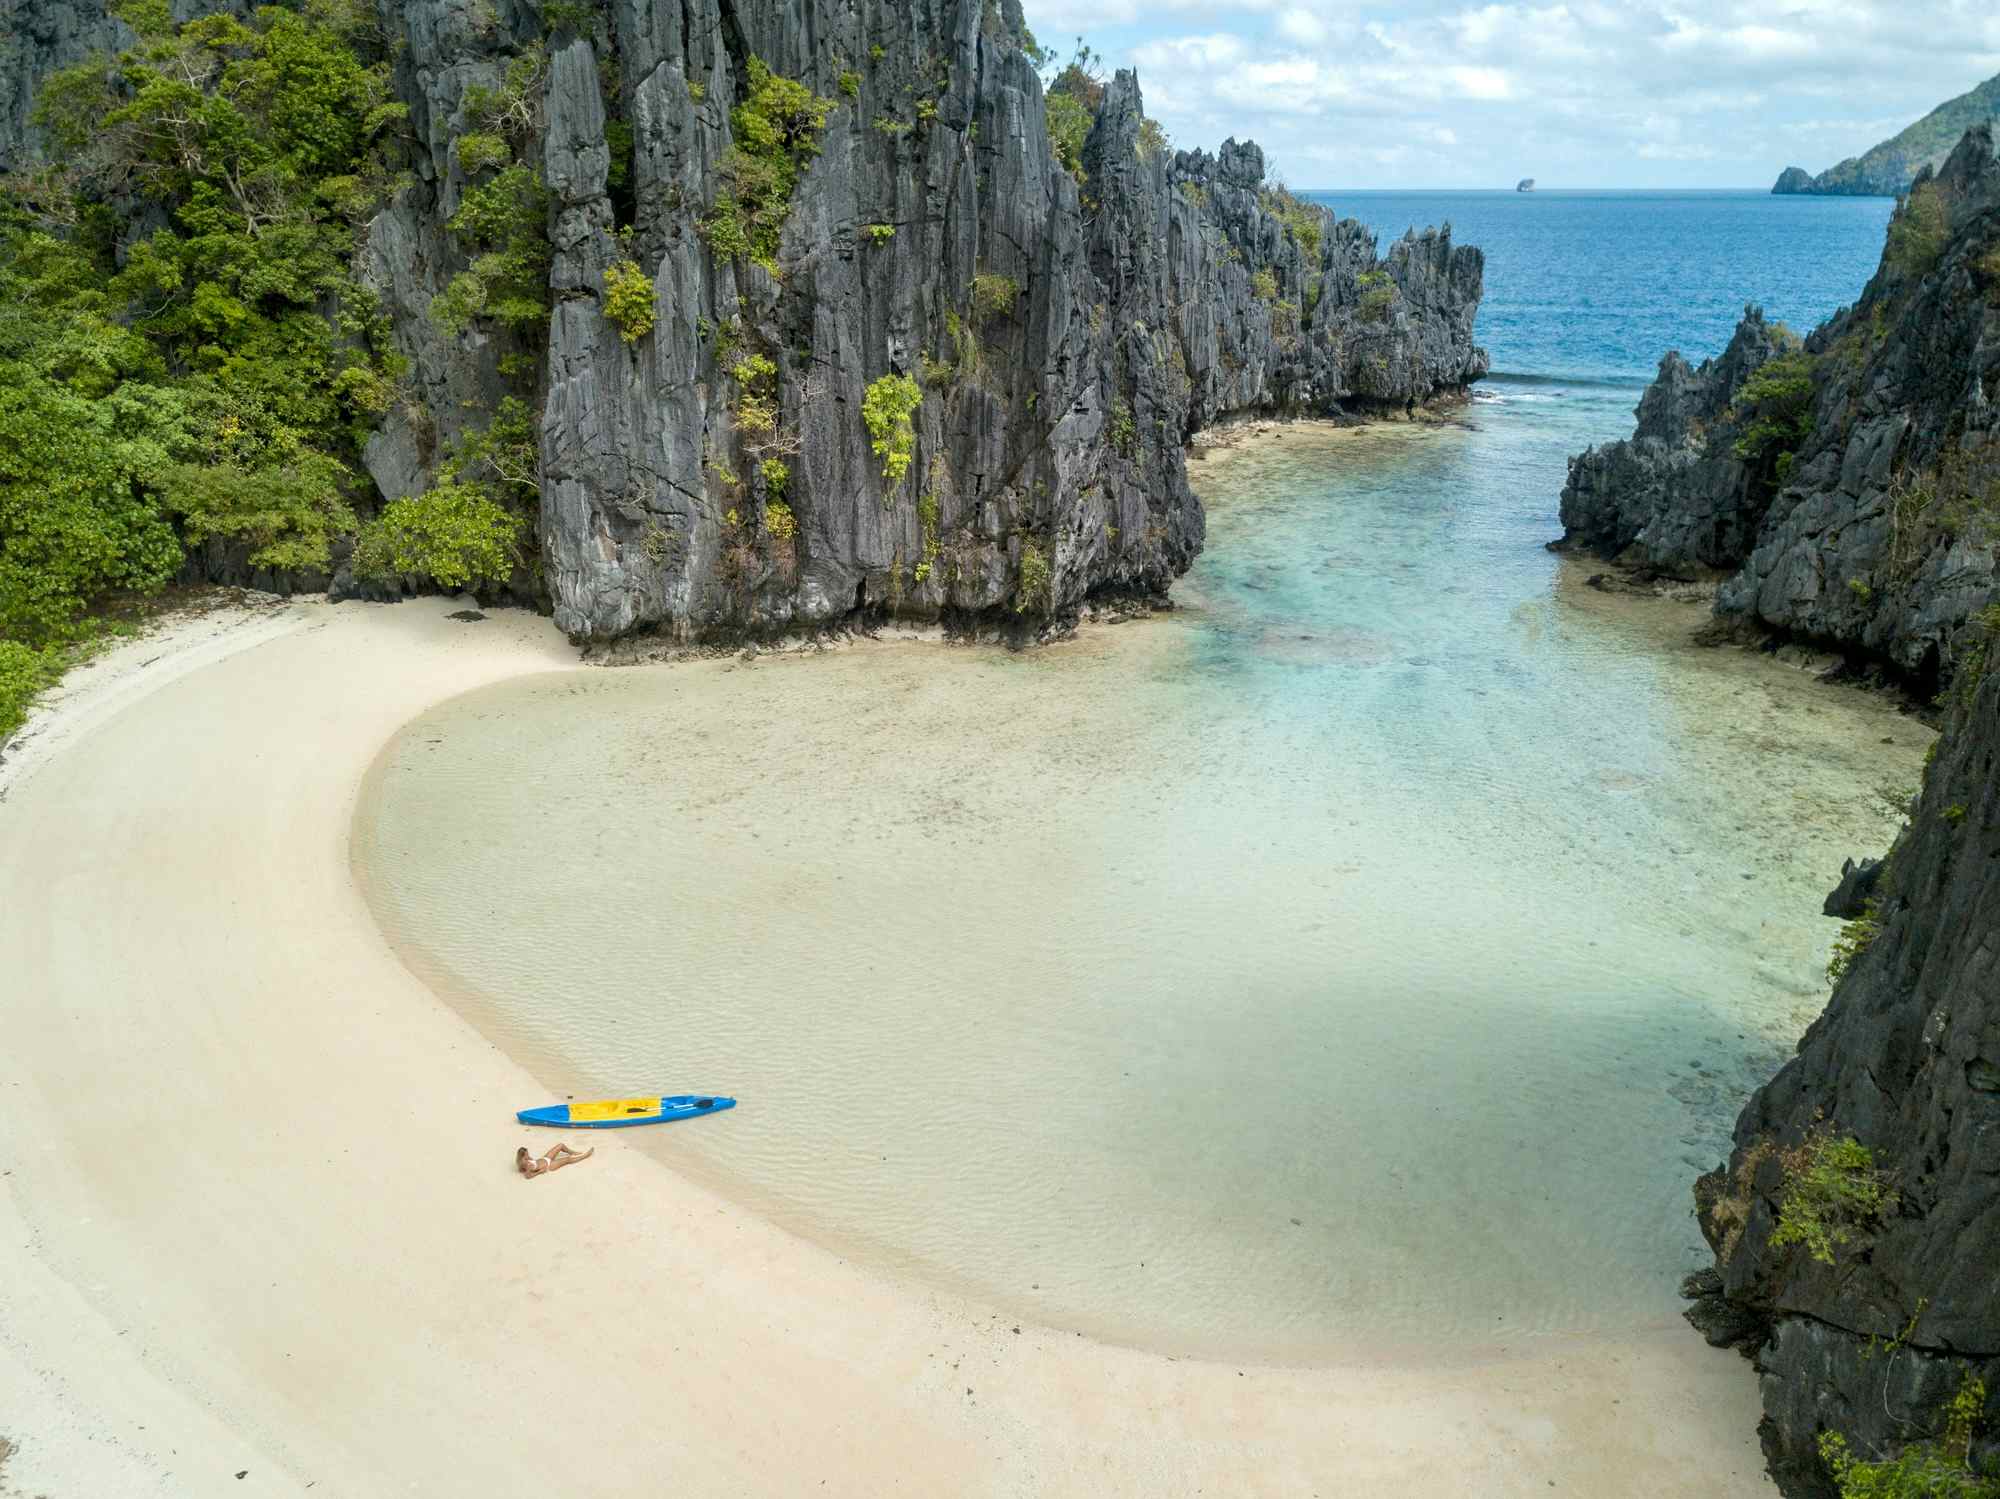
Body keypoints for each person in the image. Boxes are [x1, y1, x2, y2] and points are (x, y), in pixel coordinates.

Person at [516, 1141, 593, 1177]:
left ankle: (573, 1152)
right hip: (549, 1166)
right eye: (527, 1153)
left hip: (545, 1158)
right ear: (524, 1155)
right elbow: (528, 1176)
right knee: (567, 1159)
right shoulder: (527, 1163)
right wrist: (539, 1172)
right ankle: (585, 1155)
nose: (529, 1155)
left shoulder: (523, 1159)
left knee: (561, 1145)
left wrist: (531, 1161)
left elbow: (521, 1170)